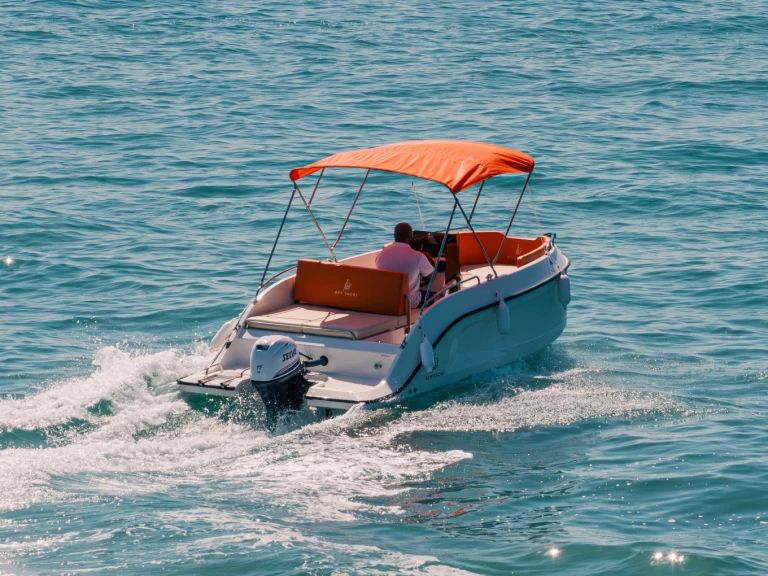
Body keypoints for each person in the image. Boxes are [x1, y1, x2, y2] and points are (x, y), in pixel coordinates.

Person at [375, 222, 434, 308]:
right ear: (411, 236)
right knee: (433, 296)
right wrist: (427, 259)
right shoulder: (418, 256)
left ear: (394, 235)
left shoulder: (382, 253)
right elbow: (431, 276)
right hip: (407, 302)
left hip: (385, 299)